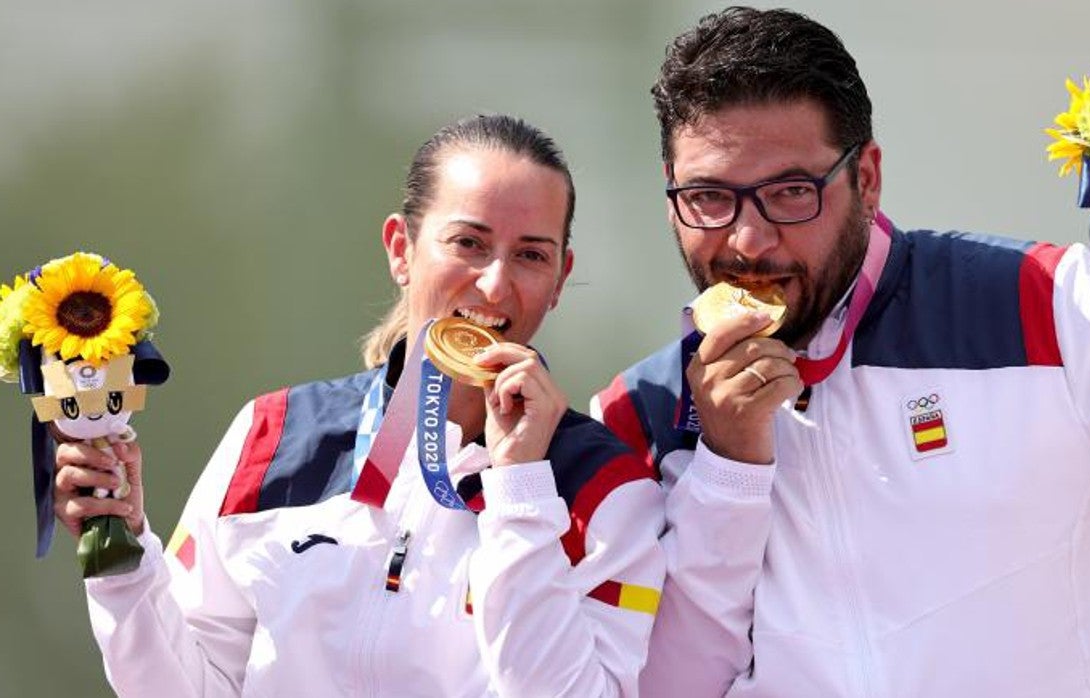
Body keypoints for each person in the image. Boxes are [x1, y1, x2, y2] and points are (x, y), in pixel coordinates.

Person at [592, 7, 1090, 697]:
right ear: (671, 196)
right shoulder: (640, 413)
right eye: (709, 197)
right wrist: (727, 471)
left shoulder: (1046, 302)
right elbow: (662, 684)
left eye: (791, 192)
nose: (749, 240)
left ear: (867, 179)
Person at [54, 114, 665, 697]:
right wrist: (124, 562)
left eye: (531, 255)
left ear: (560, 279)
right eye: (469, 243)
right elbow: (187, 688)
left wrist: (521, 493)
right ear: (402, 249)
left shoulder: (609, 491)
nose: (495, 284)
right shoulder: (271, 436)